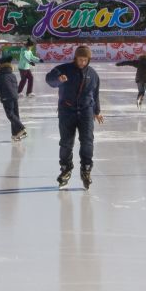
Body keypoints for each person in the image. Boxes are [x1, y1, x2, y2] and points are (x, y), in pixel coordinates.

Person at [46, 44, 103, 190]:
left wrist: (97, 111)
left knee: (87, 141)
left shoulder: (93, 74)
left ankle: (86, 169)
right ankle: (65, 169)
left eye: (85, 60)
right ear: (75, 58)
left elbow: (95, 94)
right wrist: (59, 79)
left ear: (89, 60)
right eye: (80, 59)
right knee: (66, 142)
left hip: (86, 111)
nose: (82, 62)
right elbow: (49, 79)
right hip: (67, 110)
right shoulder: (64, 69)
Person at [0, 55, 27, 140]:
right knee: (15, 115)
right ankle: (15, 134)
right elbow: (16, 86)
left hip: (6, 97)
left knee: (10, 115)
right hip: (14, 96)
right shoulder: (12, 74)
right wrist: (15, 95)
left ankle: (21, 128)